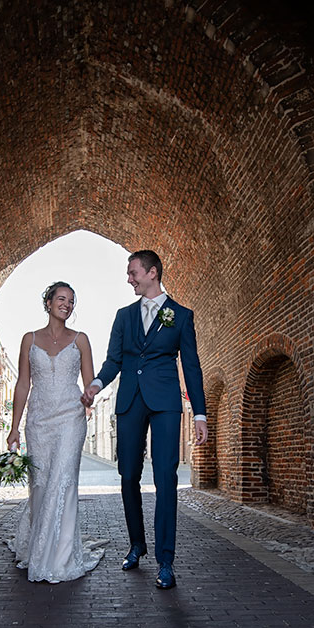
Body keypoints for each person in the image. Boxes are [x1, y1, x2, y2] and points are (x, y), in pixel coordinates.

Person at [81, 250, 207, 589]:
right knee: (128, 476)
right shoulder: (123, 317)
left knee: (166, 477)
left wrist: (200, 413)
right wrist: (94, 385)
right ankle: (137, 544)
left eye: (133, 272)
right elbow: (113, 361)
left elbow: (191, 367)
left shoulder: (180, 316)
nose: (129, 278)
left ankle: (166, 561)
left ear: (152, 273)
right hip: (130, 402)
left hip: (166, 402)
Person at [6, 282, 104, 583]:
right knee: (41, 484)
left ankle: (60, 558)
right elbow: (23, 384)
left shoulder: (81, 340)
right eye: (61, 299)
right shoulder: (29, 339)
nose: (67, 304)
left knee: (63, 482)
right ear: (48, 303)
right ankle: (37, 545)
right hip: (38, 420)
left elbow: (90, 382)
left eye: (71, 301)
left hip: (70, 419)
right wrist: (13, 429)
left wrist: (89, 397)